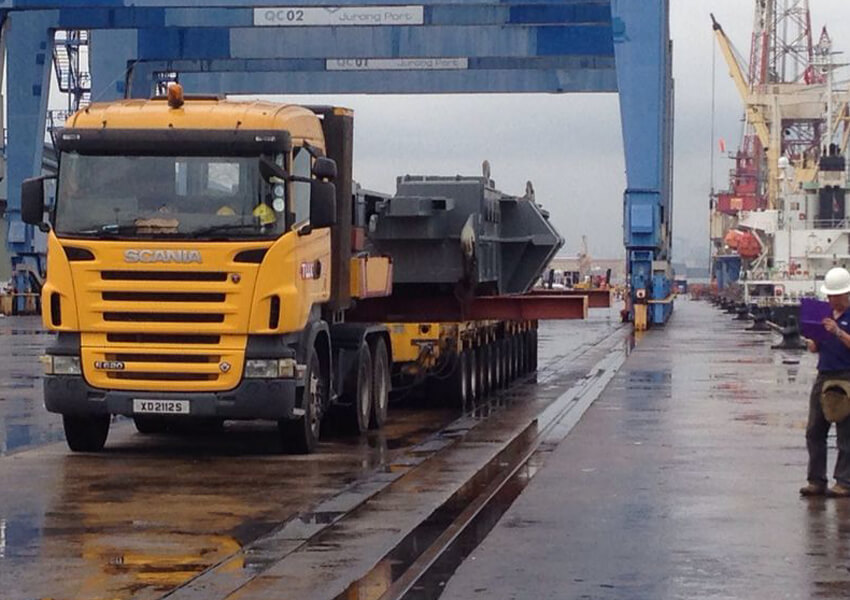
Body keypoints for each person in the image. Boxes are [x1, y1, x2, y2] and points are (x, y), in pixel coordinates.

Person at [801, 267, 850, 497]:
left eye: (835, 296)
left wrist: (838, 332)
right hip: (824, 374)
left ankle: (844, 482)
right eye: (829, 296)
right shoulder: (826, 314)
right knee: (815, 430)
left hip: (846, 375)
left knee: (846, 433)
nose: (831, 300)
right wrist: (814, 341)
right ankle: (816, 480)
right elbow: (817, 346)